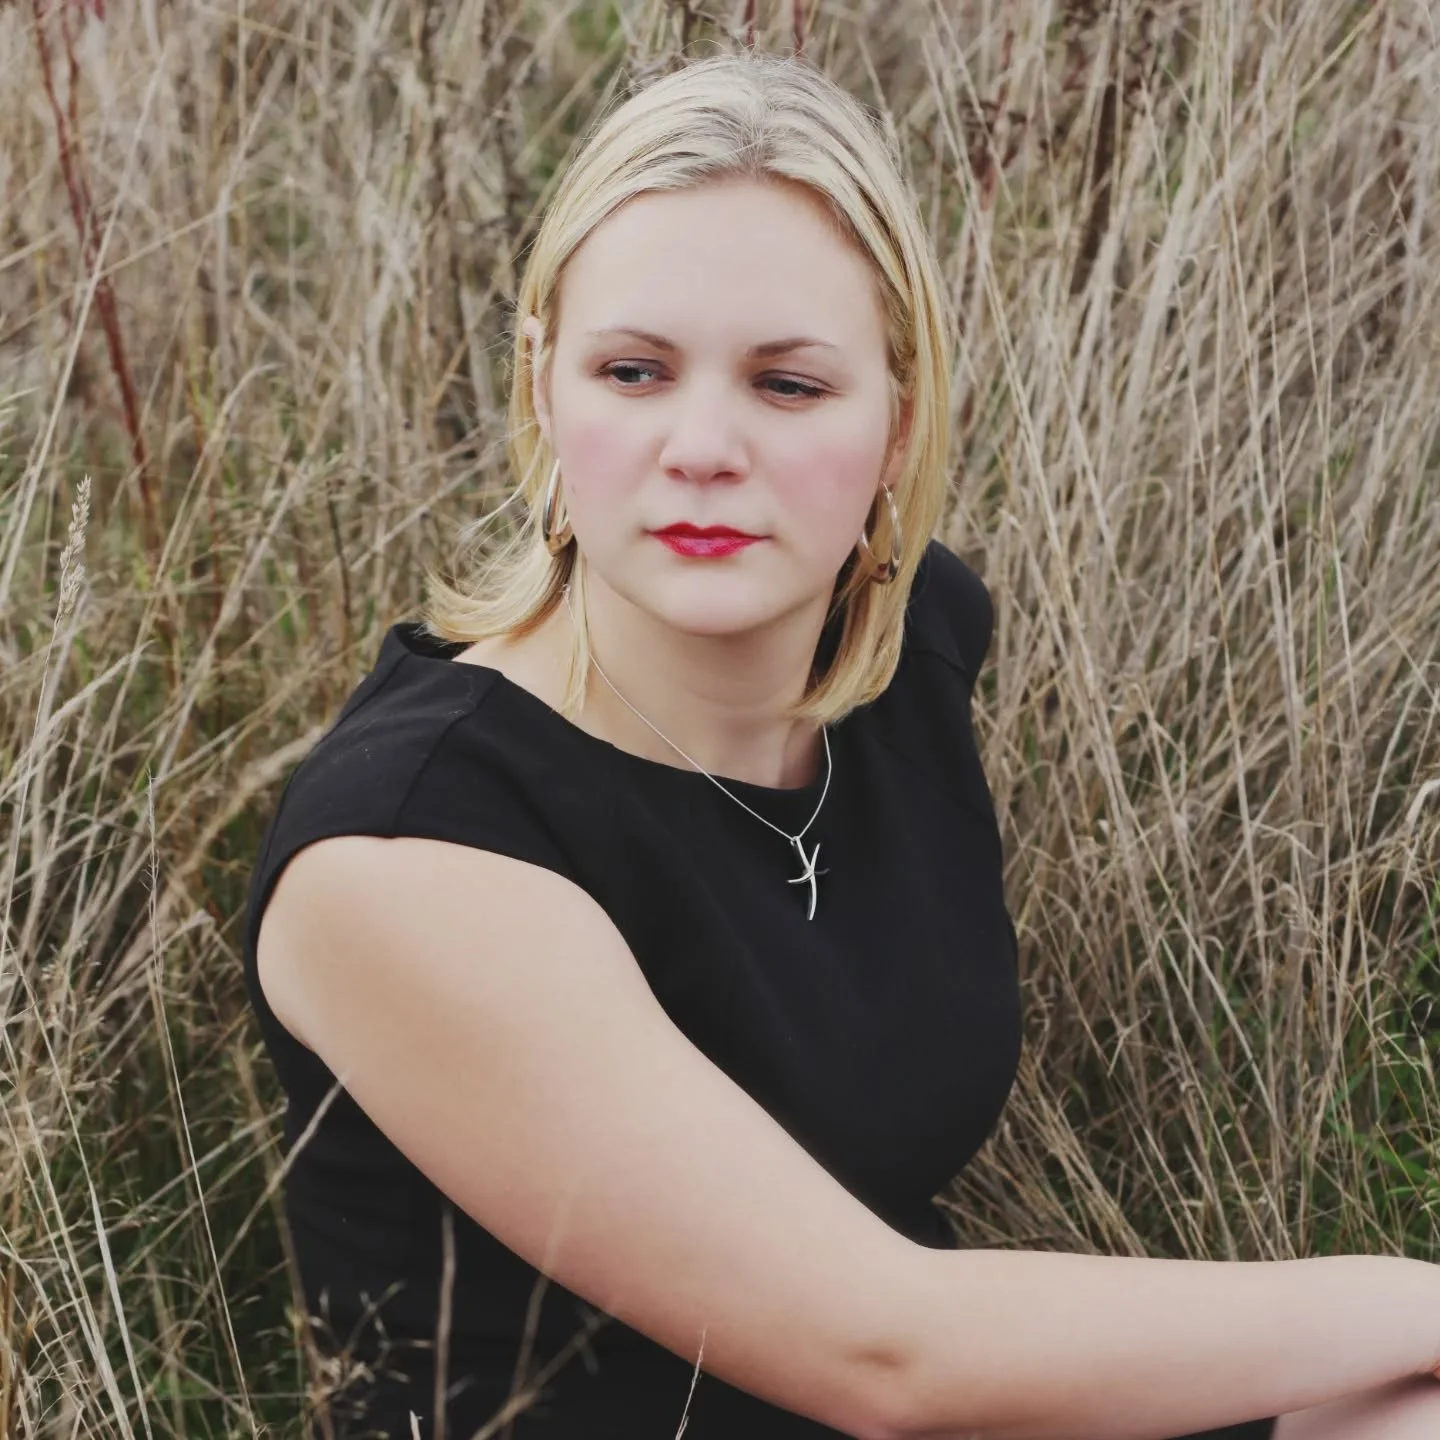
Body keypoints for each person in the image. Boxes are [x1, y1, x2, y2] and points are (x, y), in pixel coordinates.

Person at [241, 49, 1440, 1440]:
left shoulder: (907, 658)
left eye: (789, 385)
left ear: (899, 419)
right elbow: (884, 1355)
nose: (702, 445)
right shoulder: (407, 852)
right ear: (543, 392)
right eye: (633, 370)